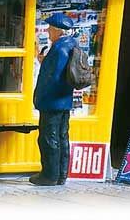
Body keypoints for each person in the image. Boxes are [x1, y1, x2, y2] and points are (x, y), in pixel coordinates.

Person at [30, 13, 77, 186]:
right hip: (65, 100)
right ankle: (61, 175)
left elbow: (52, 77)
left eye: (50, 28)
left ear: (58, 31)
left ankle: (49, 176)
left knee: (48, 139)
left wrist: (39, 98)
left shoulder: (58, 49)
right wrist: (44, 60)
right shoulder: (71, 44)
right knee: (62, 137)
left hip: (52, 101)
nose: (48, 31)